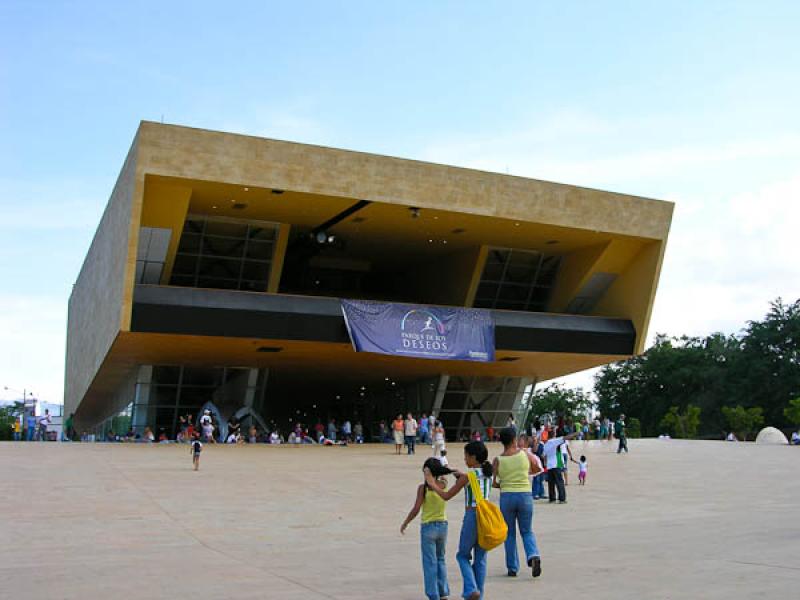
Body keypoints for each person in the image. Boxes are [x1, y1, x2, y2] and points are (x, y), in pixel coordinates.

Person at [424, 441, 493, 600]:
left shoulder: (468, 477)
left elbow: (446, 496)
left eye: (466, 456)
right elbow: (473, 477)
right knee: (480, 559)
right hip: (486, 518)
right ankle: (479, 594)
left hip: (472, 516)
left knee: (462, 555)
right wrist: (458, 472)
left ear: (473, 457)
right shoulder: (488, 473)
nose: (464, 459)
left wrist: (432, 484)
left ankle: (471, 588)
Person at [400, 457, 454, 600]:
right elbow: (446, 473)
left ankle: (433, 594)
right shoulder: (443, 484)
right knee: (441, 559)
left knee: (430, 562)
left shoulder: (423, 489)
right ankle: (443, 592)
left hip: (428, 527)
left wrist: (406, 522)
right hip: (443, 525)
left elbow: (416, 508)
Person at [493, 428, 543, 578]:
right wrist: (523, 475)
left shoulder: (498, 460)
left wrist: (506, 483)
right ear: (514, 439)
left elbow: (494, 483)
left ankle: (512, 567)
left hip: (507, 496)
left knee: (509, 533)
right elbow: (537, 468)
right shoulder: (525, 454)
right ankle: (533, 555)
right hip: (525, 495)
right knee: (527, 531)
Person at [543, 432, 579, 503]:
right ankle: (562, 499)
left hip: (549, 466)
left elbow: (544, 455)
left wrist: (545, 464)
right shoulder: (554, 441)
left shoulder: (546, 444)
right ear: (554, 435)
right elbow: (565, 437)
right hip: (556, 464)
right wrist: (575, 433)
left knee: (551, 483)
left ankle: (552, 498)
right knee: (560, 482)